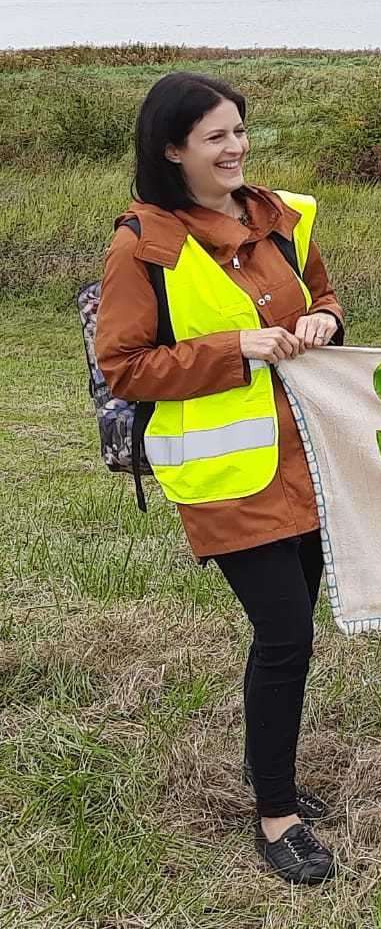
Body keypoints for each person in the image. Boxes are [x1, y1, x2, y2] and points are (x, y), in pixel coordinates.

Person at [95, 73, 345, 885]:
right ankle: (277, 817)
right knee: (284, 637)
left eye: (239, 130)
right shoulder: (144, 244)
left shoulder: (282, 217)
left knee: (292, 638)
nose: (235, 147)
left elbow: (329, 296)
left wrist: (323, 321)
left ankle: (275, 779)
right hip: (228, 474)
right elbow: (123, 367)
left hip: (307, 455)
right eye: (215, 137)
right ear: (173, 150)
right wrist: (236, 346)